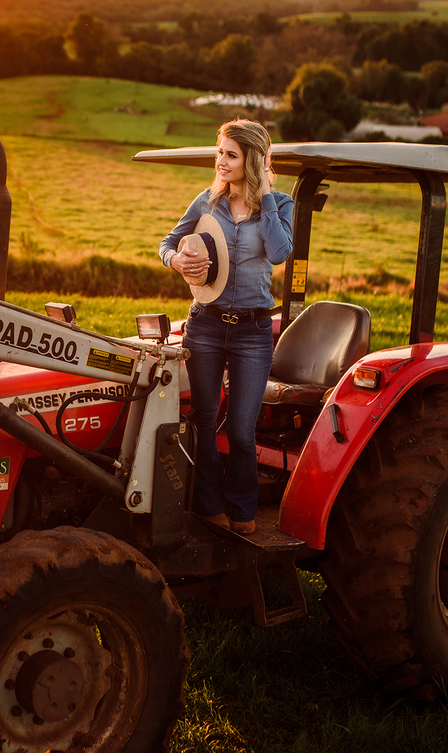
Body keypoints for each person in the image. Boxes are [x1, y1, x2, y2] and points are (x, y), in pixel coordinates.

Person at [159, 119, 294, 535]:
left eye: (230, 155)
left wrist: (266, 191)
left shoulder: (281, 204)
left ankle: (242, 509)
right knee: (203, 417)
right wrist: (175, 260)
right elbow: (167, 242)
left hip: (253, 332)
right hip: (206, 325)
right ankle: (208, 504)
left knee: (240, 429)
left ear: (252, 160)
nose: (220, 161)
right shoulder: (206, 201)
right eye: (219, 152)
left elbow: (279, 252)